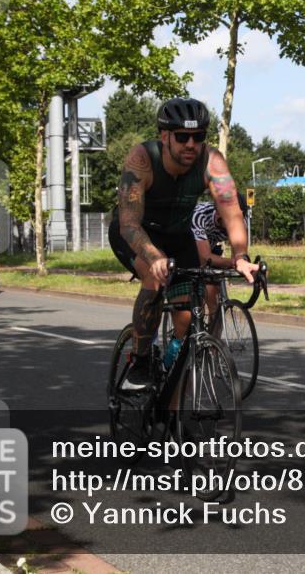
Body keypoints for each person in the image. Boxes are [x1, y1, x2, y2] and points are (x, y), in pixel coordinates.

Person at [108, 97, 258, 391]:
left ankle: (172, 414)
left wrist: (240, 255)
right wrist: (153, 257)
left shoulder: (211, 162)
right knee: (154, 274)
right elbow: (129, 223)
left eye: (198, 137)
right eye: (182, 137)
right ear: (164, 136)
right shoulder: (142, 159)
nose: (191, 144)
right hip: (136, 234)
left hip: (177, 236)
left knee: (187, 320)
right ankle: (139, 360)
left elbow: (232, 212)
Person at [190, 194, 250, 329]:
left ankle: (213, 346)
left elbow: (239, 256)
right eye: (232, 220)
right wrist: (232, 262)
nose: (237, 224)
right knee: (202, 293)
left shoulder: (240, 221)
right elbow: (205, 257)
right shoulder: (199, 216)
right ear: (218, 215)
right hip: (188, 249)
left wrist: (243, 264)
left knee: (216, 305)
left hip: (211, 247)